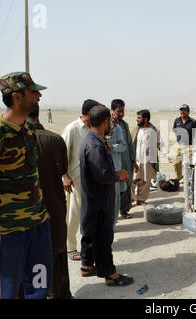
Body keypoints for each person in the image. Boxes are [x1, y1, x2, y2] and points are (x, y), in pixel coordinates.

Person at [0, 72, 52, 299]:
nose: (39, 95)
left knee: (39, 285)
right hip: (8, 230)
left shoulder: (29, 131)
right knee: (7, 291)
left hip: (37, 224)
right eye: (33, 91)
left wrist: (43, 214)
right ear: (17, 97)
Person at [79, 105, 134, 287]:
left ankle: (87, 265)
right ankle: (110, 274)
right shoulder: (95, 144)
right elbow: (103, 175)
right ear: (104, 122)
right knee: (103, 237)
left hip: (94, 199)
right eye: (109, 121)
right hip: (100, 201)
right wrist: (120, 175)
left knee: (91, 233)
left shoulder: (93, 139)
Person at [27, 110, 73, 299]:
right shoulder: (55, 140)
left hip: (27, 216)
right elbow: (63, 170)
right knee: (56, 254)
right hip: (54, 208)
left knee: (31, 260)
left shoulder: (12, 140)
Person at [62, 99, 97, 261]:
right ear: (89, 113)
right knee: (73, 214)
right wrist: (65, 176)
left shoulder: (93, 129)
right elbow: (62, 156)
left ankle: (88, 244)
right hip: (75, 180)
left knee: (88, 214)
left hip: (91, 180)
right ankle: (70, 247)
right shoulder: (72, 129)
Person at [131, 109, 169, 205]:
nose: (137, 120)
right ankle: (129, 199)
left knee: (145, 181)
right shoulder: (135, 130)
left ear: (146, 119)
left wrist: (167, 154)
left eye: (139, 118)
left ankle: (141, 200)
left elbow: (160, 144)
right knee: (132, 181)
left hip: (148, 162)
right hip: (136, 161)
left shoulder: (154, 130)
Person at [110, 99, 137, 219]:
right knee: (114, 188)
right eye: (118, 111)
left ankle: (124, 209)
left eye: (123, 111)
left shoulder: (124, 125)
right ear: (112, 111)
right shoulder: (107, 124)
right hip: (114, 161)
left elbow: (130, 143)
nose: (121, 113)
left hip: (126, 160)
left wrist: (133, 160)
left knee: (127, 184)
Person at [107, 105, 127, 227]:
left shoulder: (118, 129)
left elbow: (123, 146)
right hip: (102, 168)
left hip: (115, 167)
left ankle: (112, 224)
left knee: (115, 198)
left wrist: (112, 147)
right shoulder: (97, 129)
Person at [171, 104, 196, 180]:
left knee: (189, 164)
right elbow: (175, 131)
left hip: (189, 145)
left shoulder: (193, 122)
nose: (182, 112)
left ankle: (189, 179)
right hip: (179, 145)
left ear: (188, 112)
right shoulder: (177, 120)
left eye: (184, 110)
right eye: (181, 110)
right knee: (176, 162)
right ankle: (179, 177)